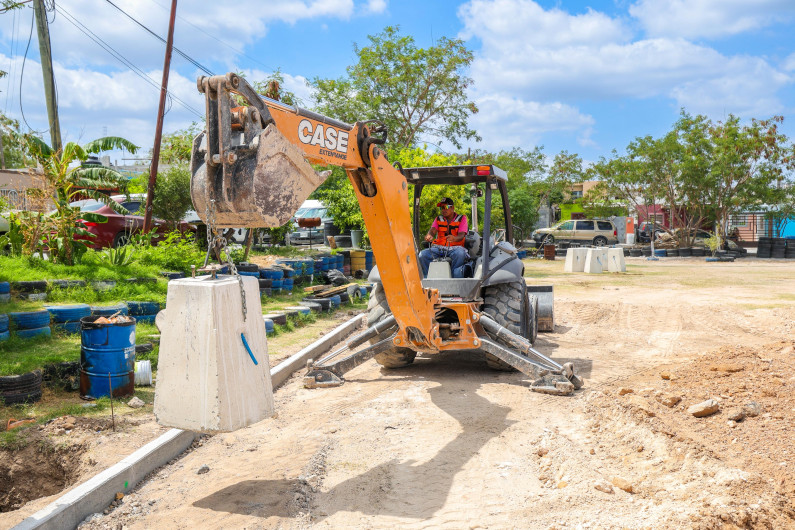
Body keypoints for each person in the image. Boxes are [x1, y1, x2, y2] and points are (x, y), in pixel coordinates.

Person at [419, 197, 469, 278]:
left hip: (455, 248)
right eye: (441, 208)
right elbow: (432, 230)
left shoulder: (462, 218)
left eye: (445, 207)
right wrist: (429, 235)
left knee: (460, 253)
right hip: (439, 247)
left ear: (452, 208)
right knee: (423, 255)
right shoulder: (438, 219)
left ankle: (454, 278)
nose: (443, 210)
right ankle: (428, 278)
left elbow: (461, 235)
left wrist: (454, 238)